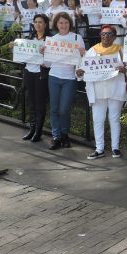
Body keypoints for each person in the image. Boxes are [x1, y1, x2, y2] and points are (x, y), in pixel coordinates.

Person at [78, 25, 127, 159]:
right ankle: (99, 148)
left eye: (109, 34)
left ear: (114, 37)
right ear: (100, 36)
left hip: (115, 89)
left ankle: (115, 148)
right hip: (97, 90)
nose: (106, 36)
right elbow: (82, 68)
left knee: (114, 119)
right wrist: (79, 72)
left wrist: (124, 69)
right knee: (98, 119)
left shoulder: (121, 50)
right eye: (103, 34)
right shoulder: (92, 50)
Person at [41, 12, 85, 150]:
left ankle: (65, 134)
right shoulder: (52, 39)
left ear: (70, 24)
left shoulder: (77, 38)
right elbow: (47, 64)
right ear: (56, 24)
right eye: (60, 23)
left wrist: (84, 53)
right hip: (54, 77)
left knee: (64, 109)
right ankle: (56, 137)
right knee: (54, 109)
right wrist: (43, 53)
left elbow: (84, 60)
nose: (63, 25)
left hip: (69, 78)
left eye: (66, 22)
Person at [15, 13, 51, 143]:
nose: (37, 24)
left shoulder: (50, 40)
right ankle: (32, 128)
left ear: (45, 24)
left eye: (40, 22)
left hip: (41, 74)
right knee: (31, 102)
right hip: (29, 72)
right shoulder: (30, 37)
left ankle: (38, 131)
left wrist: (45, 60)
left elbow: (54, 58)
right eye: (35, 22)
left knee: (40, 102)